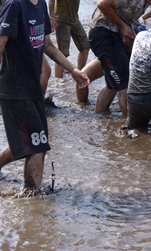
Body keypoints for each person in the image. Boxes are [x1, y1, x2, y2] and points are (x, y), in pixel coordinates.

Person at [0, 0, 90, 191]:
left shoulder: (40, 5)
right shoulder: (15, 5)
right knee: (37, 146)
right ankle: (32, 196)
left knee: (34, 140)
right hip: (14, 88)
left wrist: (72, 70)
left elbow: (48, 45)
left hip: (32, 88)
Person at [77, 0, 151, 116]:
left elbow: (127, 17)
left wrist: (128, 31)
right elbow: (102, 4)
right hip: (103, 34)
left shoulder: (146, 3)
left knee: (112, 84)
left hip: (115, 35)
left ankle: (101, 114)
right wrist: (122, 26)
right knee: (125, 82)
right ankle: (133, 125)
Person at [48, 0, 90, 78]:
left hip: (75, 19)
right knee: (62, 53)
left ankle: (80, 73)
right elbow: (51, 0)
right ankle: (58, 80)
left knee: (85, 47)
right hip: (62, 19)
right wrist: (52, 17)